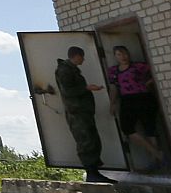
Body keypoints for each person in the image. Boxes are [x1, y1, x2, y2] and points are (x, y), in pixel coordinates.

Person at [54, 46, 110, 183]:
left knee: (92, 139)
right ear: (76, 56)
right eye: (82, 56)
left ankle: (95, 172)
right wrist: (86, 88)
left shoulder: (71, 70)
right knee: (86, 141)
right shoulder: (64, 70)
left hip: (82, 111)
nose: (83, 60)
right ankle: (91, 173)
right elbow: (68, 91)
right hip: (76, 112)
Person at [106, 45, 164, 171]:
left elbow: (155, 73)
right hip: (127, 100)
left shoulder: (139, 66)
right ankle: (156, 152)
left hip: (144, 98)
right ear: (115, 56)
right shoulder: (114, 71)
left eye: (125, 53)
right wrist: (112, 103)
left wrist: (147, 84)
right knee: (127, 128)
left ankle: (155, 162)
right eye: (119, 54)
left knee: (149, 128)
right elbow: (114, 88)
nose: (123, 57)